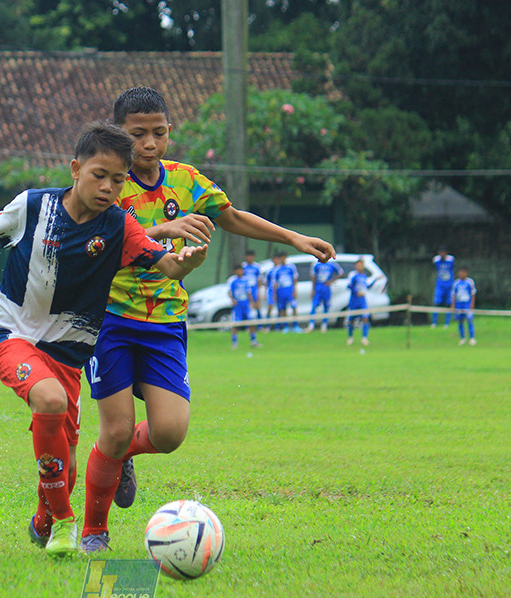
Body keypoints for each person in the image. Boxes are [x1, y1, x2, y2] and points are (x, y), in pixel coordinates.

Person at [0, 122, 208, 558]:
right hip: (10, 335)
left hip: (68, 357)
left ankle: (45, 519)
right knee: (48, 400)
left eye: (118, 180)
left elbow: (169, 268)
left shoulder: (121, 227)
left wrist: (187, 262)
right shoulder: (33, 206)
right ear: (75, 169)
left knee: (61, 465)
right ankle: (67, 523)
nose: (107, 187)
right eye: (98, 175)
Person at [80, 87, 335, 553]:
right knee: (114, 430)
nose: (150, 144)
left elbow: (232, 216)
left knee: (170, 433)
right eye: (139, 135)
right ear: (120, 134)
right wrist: (164, 230)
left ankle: (120, 458)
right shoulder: (107, 182)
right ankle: (94, 531)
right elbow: (100, 238)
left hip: (165, 320)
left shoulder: (186, 180)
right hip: (110, 317)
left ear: (169, 131)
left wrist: (294, 238)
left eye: (159, 133)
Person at [267, 251, 301, 332]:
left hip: (289, 290)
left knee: (294, 307)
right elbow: (274, 283)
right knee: (283, 309)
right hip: (281, 291)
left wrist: (294, 290)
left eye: (283, 257)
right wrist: (274, 294)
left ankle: (296, 326)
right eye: (280, 257)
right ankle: (286, 326)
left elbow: (295, 279)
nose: (282, 259)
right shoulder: (276, 270)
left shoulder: (291, 267)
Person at [306, 258, 344, 333]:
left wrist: (331, 281)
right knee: (314, 305)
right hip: (318, 287)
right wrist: (313, 289)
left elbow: (341, 273)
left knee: (326, 306)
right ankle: (311, 324)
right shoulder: (316, 264)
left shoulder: (332, 264)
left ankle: (324, 325)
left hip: (326, 287)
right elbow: (313, 277)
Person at [346, 258, 374, 346]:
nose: (360, 267)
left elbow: (367, 287)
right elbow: (349, 286)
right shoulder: (353, 275)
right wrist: (357, 292)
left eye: (361, 265)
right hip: (354, 301)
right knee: (351, 320)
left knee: (365, 318)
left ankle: (364, 338)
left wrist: (376, 280)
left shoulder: (364, 276)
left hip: (362, 301)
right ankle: (350, 338)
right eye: (358, 265)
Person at [228, 264, 258, 349]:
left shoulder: (246, 280)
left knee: (251, 322)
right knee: (235, 324)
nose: (240, 272)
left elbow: (249, 292)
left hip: (246, 305)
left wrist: (252, 302)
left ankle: (254, 340)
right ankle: (234, 343)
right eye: (238, 270)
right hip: (237, 306)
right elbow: (229, 291)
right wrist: (233, 300)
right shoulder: (232, 280)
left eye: (241, 270)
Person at [451, 267, 477, 345]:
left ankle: (472, 338)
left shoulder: (470, 282)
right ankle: (462, 338)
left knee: (469, 320)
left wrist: (472, 303)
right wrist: (453, 305)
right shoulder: (456, 283)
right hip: (459, 304)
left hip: (467, 304)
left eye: (463, 272)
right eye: (460, 272)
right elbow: (454, 294)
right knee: (460, 321)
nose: (462, 274)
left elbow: (473, 293)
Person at [432, 248, 455, 328]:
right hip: (440, 284)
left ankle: (447, 323)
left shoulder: (451, 259)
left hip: (449, 284)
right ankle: (434, 322)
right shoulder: (436, 260)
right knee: (437, 302)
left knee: (448, 303)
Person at [241, 249, 263, 325]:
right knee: (248, 307)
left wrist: (258, 291)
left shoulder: (257, 267)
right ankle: (248, 326)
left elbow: (259, 280)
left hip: (254, 289)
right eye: (248, 256)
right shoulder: (243, 266)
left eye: (251, 256)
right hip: (245, 290)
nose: (249, 258)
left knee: (257, 306)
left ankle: (260, 325)